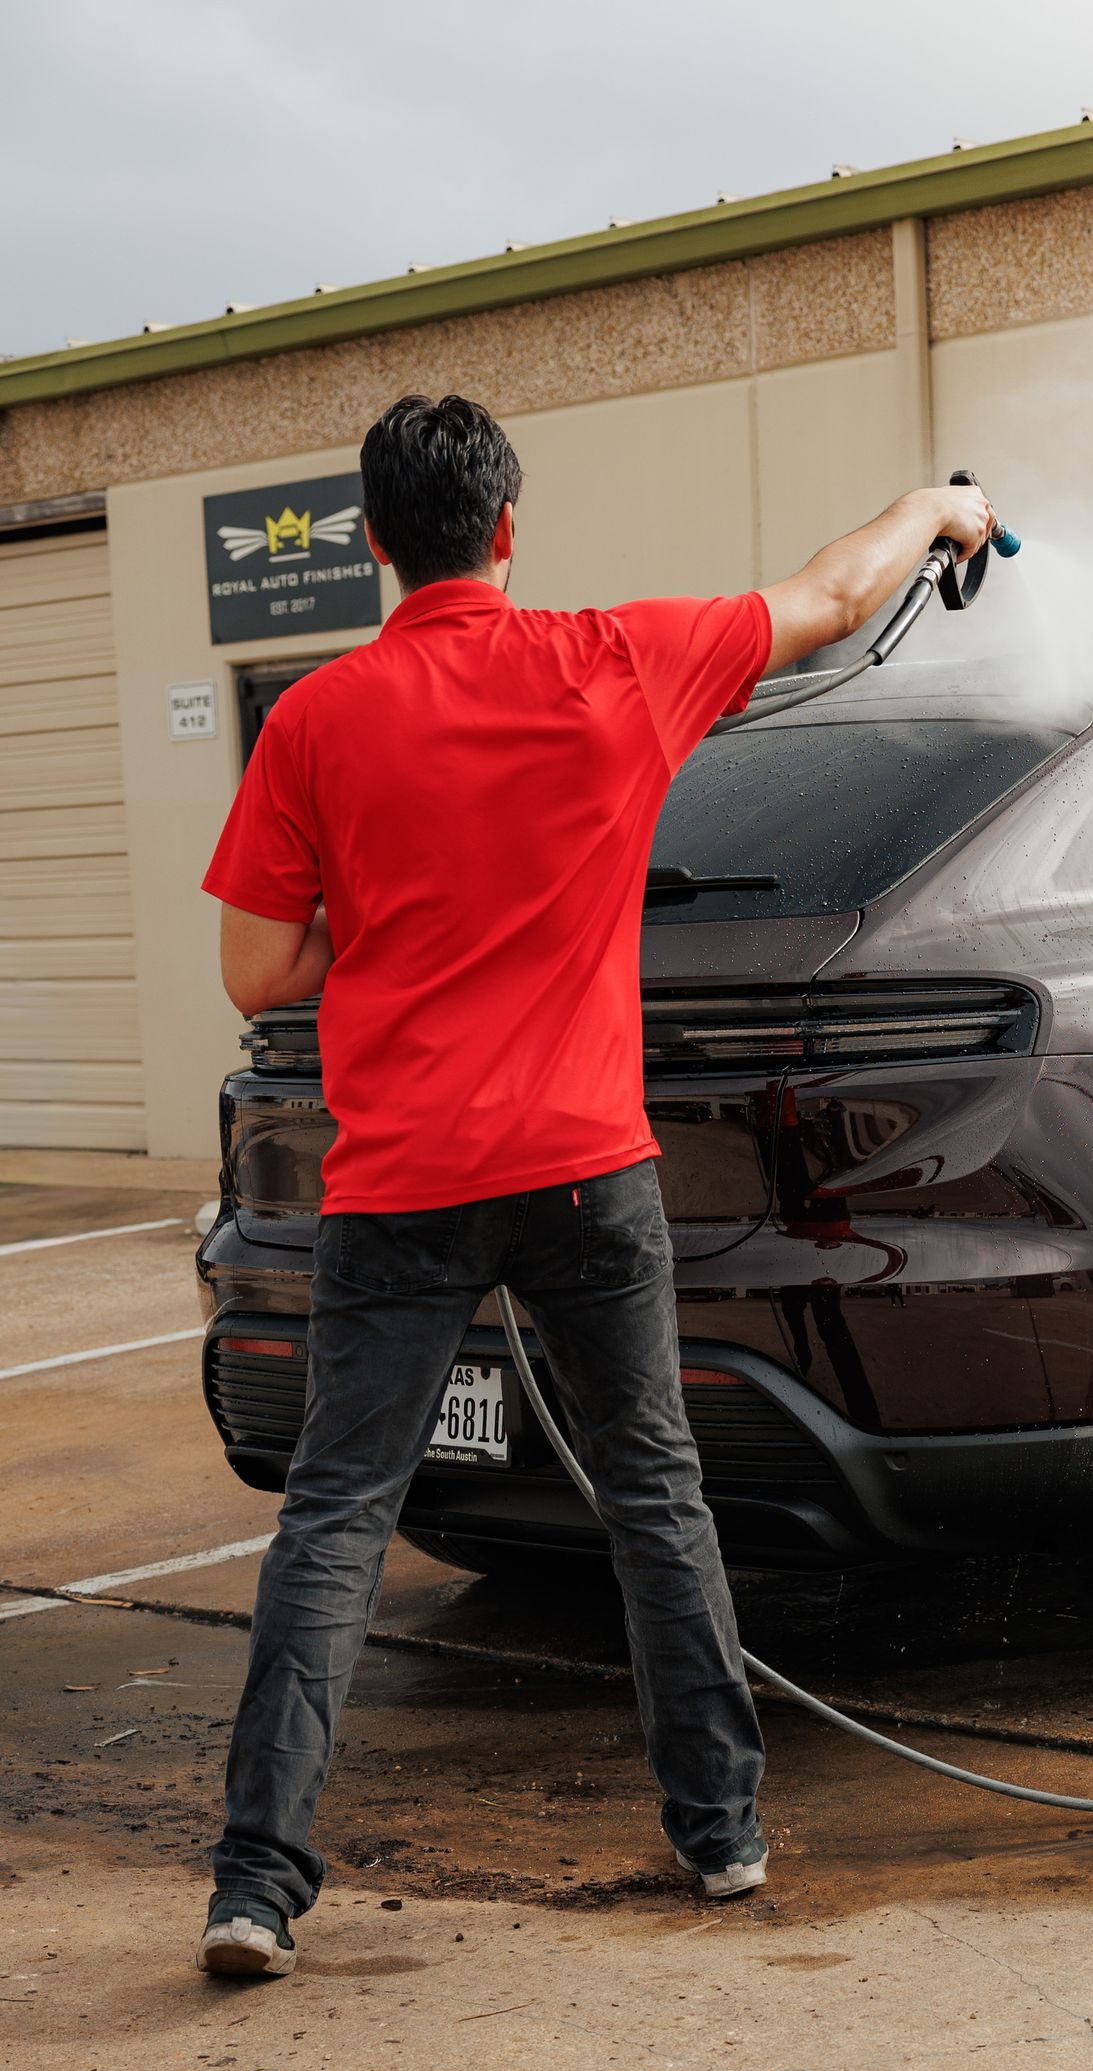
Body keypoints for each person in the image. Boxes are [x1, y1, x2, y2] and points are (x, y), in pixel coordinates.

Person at [197, 391, 993, 1981]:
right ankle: (722, 1834)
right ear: (506, 529)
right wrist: (933, 510)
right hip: (579, 1172)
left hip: (400, 1185)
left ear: (373, 544)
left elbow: (253, 972)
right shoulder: (614, 659)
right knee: (651, 1494)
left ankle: (256, 1886)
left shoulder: (314, 722)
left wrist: (389, 906)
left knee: (338, 1519)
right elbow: (837, 599)